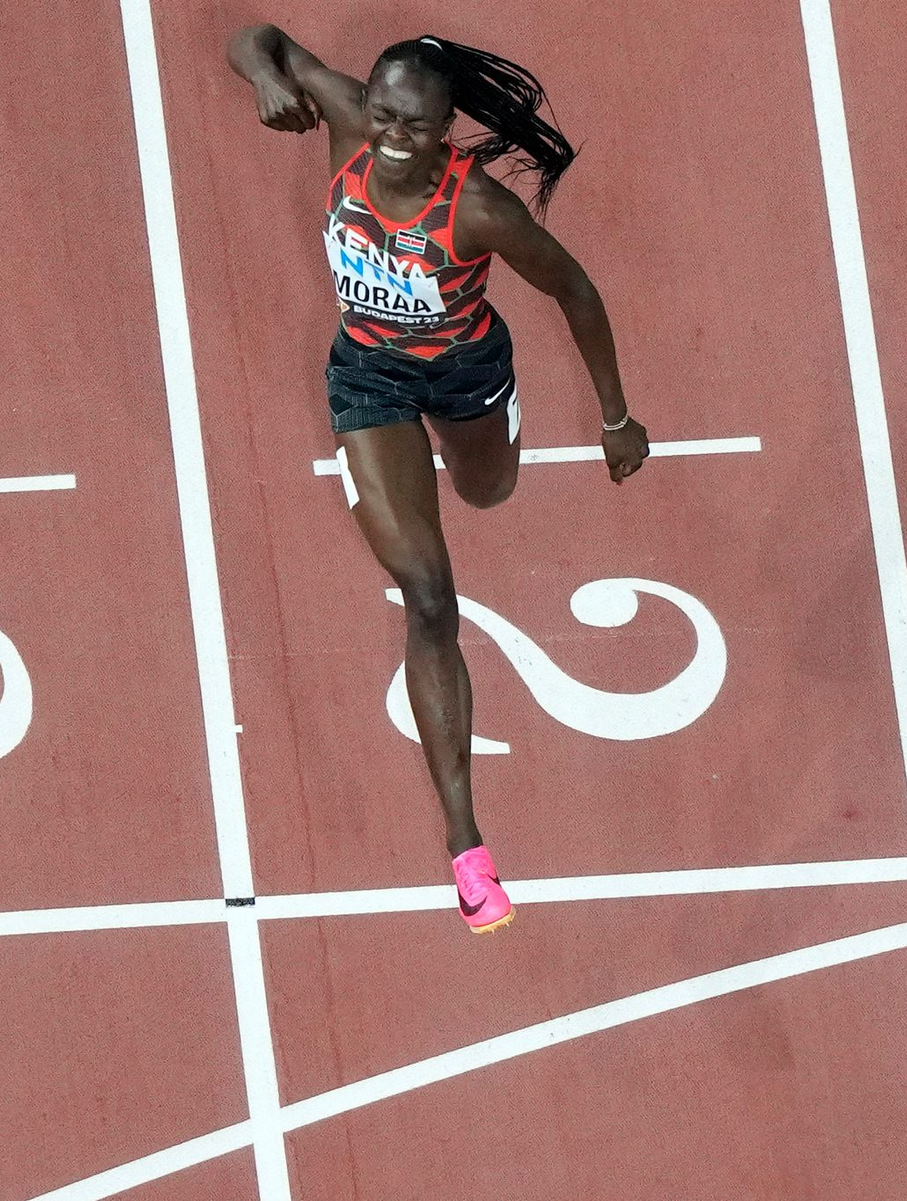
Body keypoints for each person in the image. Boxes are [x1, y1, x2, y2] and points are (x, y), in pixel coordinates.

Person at [226, 27, 649, 933]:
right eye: (381, 113)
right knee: (427, 596)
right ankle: (467, 847)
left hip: (466, 375)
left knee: (487, 491)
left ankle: (483, 443)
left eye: (413, 125)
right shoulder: (348, 120)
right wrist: (262, 75)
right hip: (368, 379)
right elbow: (255, 37)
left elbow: (576, 292)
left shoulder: (481, 208)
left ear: (446, 127)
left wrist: (616, 417)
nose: (390, 135)